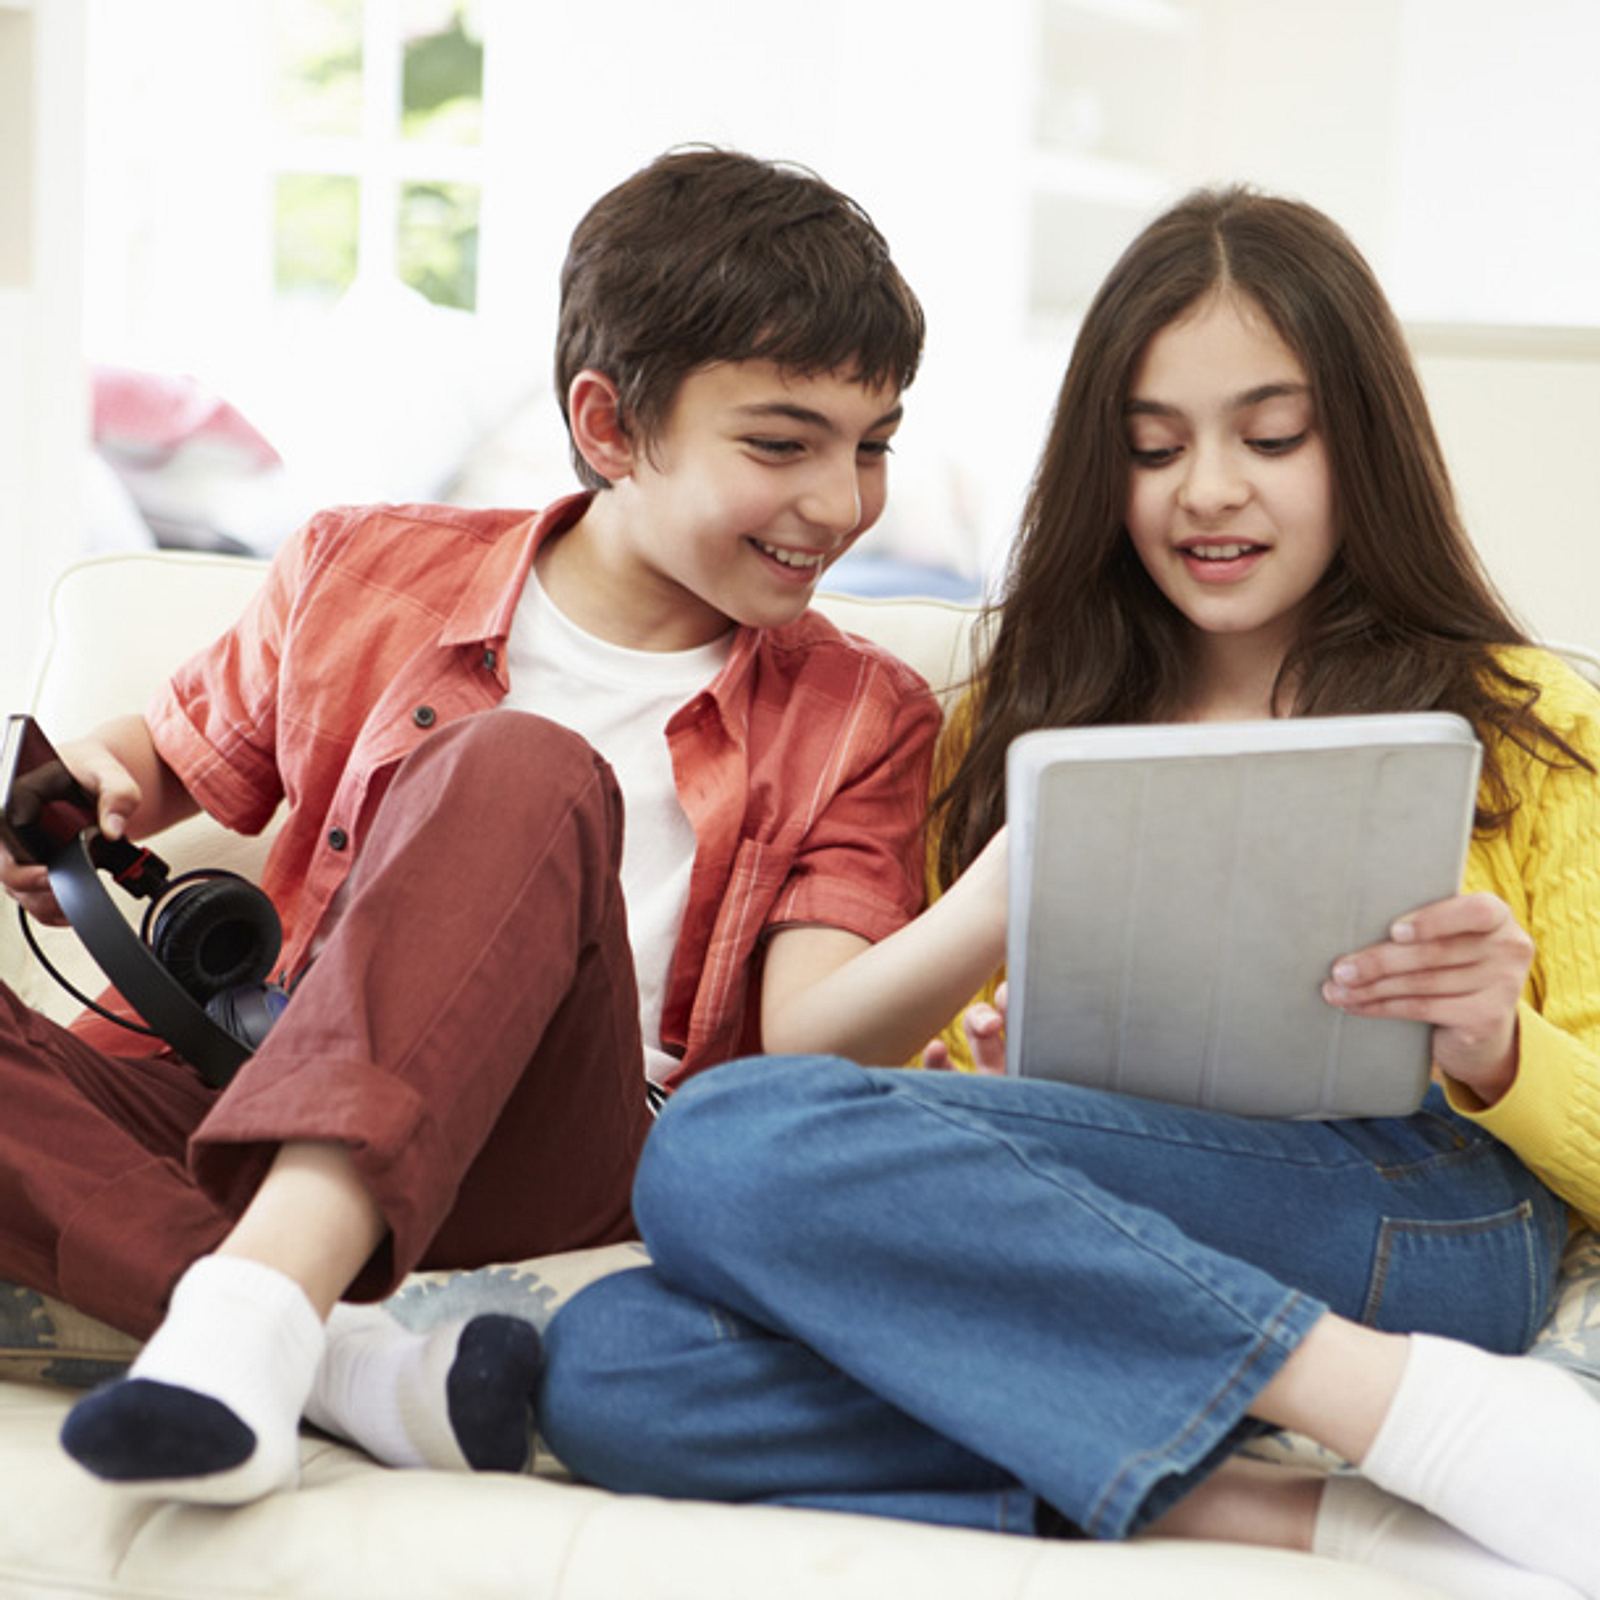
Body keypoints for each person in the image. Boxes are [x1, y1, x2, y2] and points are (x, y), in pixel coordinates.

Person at [530, 188, 1600, 1600]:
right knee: (612, 1372)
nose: (1208, 489)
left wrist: (1496, 1047)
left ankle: (1398, 1402)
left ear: (1365, 448)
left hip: (1413, 1211)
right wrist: (988, 1077)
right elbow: (898, 1119)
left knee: (719, 1139)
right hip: (1091, 1216)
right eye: (1153, 450)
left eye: (1271, 438)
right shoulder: (1009, 732)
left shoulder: (1524, 721)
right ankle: (1324, 1497)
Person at [0, 146, 948, 1506]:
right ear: (611, 426)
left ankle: (253, 1308)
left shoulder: (864, 711)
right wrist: (88, 784)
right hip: (241, 1093)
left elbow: (805, 1033)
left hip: (544, 1153)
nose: (843, 504)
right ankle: (327, 1353)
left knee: (518, 772)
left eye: (874, 447)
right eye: (783, 445)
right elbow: (158, 755)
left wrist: (999, 896)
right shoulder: (361, 567)